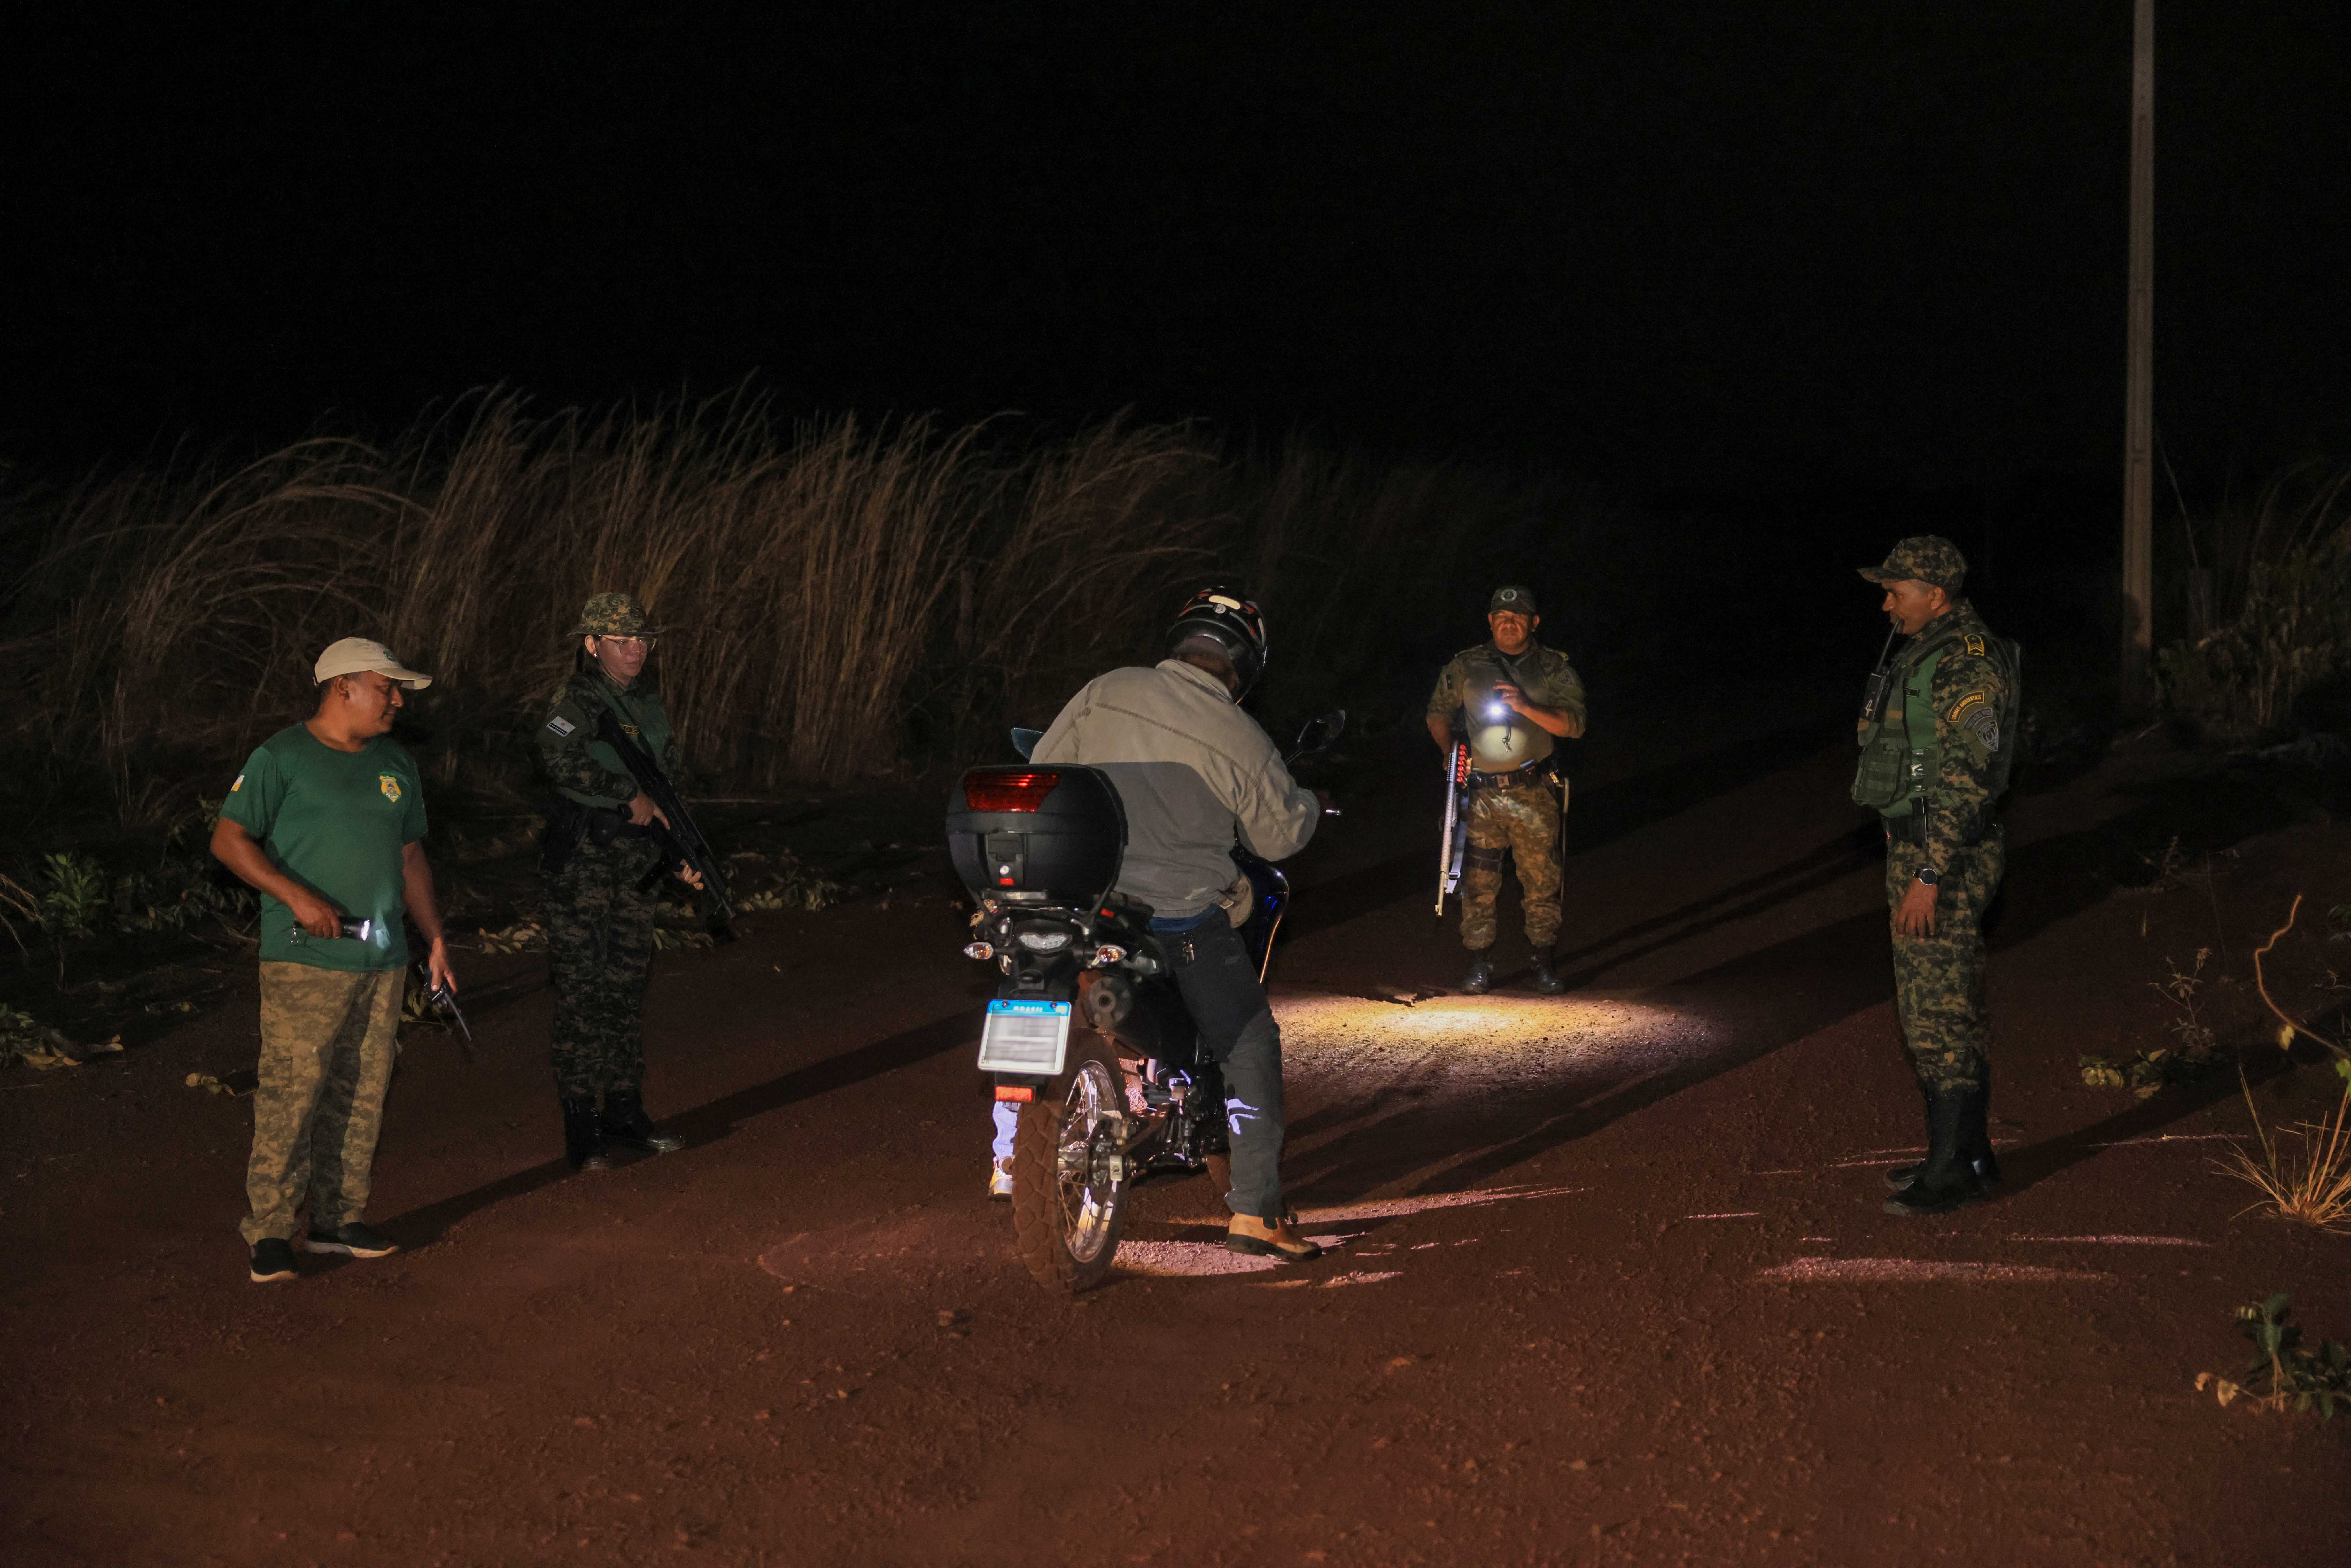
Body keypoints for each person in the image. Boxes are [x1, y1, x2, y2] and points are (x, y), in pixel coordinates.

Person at [1029, 587, 1328, 1260]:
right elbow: (1279, 838)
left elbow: (1041, 767)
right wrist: (1309, 803)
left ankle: (1007, 1152)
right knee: (1249, 1041)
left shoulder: (1106, 689)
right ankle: (1256, 1212)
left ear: (1179, 640)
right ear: (1244, 667)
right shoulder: (1241, 737)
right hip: (1178, 917)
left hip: (1089, 901)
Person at [212, 637, 453, 1284]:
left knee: (362, 1090)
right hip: (305, 958)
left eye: (399, 691)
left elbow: (410, 859)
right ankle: (268, 1230)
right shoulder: (282, 757)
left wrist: (432, 936)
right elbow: (228, 838)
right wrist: (295, 894)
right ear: (343, 685)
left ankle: (337, 1217)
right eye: (387, 687)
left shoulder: (396, 762)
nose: (398, 700)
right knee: (293, 1092)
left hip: (382, 958)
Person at [1852, 536, 2019, 1216]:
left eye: (1898, 590)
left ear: (1937, 594)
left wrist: (1928, 872)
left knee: (1937, 1011)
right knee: (1937, 1005)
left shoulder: (1966, 663)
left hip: (1942, 854)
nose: (1887, 602)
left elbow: (1965, 778)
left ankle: (1953, 1169)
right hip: (1923, 848)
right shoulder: (1928, 651)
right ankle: (1965, 1154)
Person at [536, 592, 704, 1172]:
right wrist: (622, 795)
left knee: (626, 990)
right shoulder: (578, 699)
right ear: (592, 645)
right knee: (583, 994)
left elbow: (669, 782)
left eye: (643, 639)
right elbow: (558, 758)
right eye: (620, 639)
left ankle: (626, 1111)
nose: (635, 649)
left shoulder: (649, 704)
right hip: (586, 864)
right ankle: (582, 1125)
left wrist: (681, 848)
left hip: (637, 866)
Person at [1425, 585, 1588, 994]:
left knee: (1541, 880)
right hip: (1481, 794)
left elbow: (1575, 724)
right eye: (1500, 616)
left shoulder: (1552, 666)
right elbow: (1438, 713)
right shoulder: (1466, 665)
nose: (1508, 623)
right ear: (1490, 621)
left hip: (1533, 789)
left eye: (1517, 617)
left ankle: (1545, 961)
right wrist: (1449, 752)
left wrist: (1527, 706)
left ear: (1534, 622)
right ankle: (1480, 963)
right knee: (1478, 883)